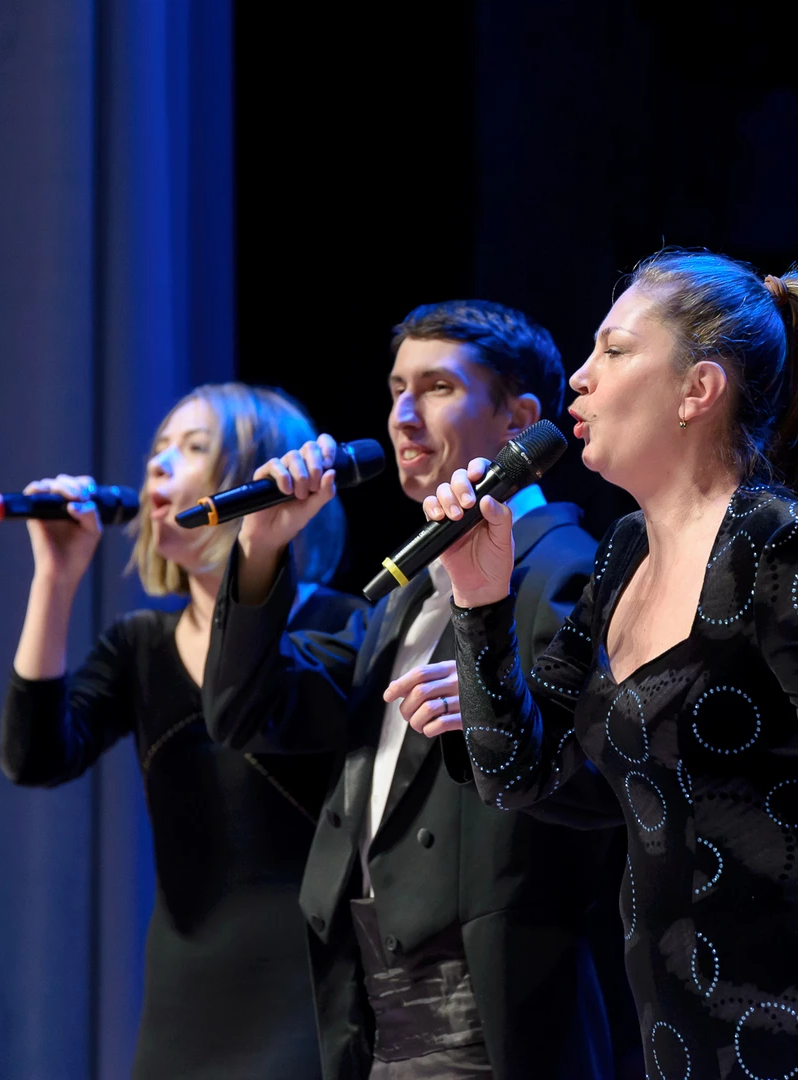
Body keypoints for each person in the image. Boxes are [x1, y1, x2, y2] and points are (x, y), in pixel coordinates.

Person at [393, 251, 798, 1078]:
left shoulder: (772, 540)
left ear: (697, 389)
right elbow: (518, 775)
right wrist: (478, 602)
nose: (579, 377)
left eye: (614, 350)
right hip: (678, 1032)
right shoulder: (622, 556)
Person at [202, 301, 623, 1079]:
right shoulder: (404, 591)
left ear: (517, 419)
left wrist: (496, 706)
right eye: (396, 389)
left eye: (436, 387)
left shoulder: (564, 566)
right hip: (370, 1006)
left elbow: (608, 778)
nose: (401, 415)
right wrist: (261, 545)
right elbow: (243, 712)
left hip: (488, 1008)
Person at [0, 383, 364, 1080]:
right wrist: (56, 577)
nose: (157, 465)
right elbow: (33, 756)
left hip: (315, 990)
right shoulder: (139, 645)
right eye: (158, 448)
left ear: (259, 475)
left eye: (193, 448)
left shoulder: (344, 626)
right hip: (185, 1001)